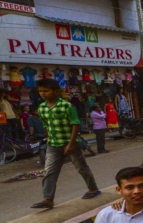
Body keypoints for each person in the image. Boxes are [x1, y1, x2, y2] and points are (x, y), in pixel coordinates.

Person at [31, 78, 100, 209]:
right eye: (40, 91)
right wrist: (48, 139)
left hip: (70, 142)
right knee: (49, 171)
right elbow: (46, 125)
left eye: (46, 91)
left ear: (56, 91)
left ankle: (93, 188)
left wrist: (71, 144)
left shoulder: (67, 106)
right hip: (53, 144)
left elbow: (75, 124)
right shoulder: (42, 108)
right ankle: (48, 198)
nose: (42, 93)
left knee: (81, 167)